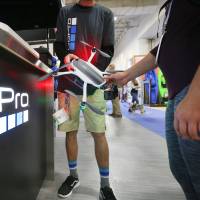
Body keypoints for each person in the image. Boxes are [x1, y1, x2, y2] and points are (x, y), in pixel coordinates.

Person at [107, 0, 200, 199]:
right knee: (181, 169)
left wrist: (195, 96)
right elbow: (161, 49)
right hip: (178, 94)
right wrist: (127, 75)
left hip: (193, 90)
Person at [54, 0, 117, 200]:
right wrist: (66, 57)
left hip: (94, 83)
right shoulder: (65, 12)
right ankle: (73, 176)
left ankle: (105, 186)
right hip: (67, 84)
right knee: (69, 131)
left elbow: (108, 48)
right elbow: (59, 44)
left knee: (99, 133)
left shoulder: (105, 14)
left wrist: (90, 72)